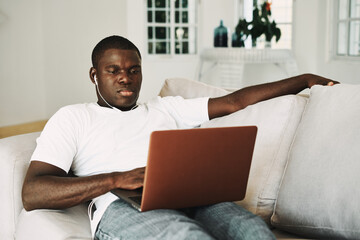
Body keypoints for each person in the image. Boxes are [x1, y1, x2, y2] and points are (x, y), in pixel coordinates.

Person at [22, 35, 338, 240]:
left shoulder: (165, 108)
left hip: (191, 197)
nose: (125, 78)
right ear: (94, 75)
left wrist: (305, 79)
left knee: (254, 231)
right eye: (113, 70)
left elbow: (235, 102)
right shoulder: (73, 117)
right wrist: (118, 178)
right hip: (123, 206)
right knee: (185, 236)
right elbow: (34, 191)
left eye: (134, 70)